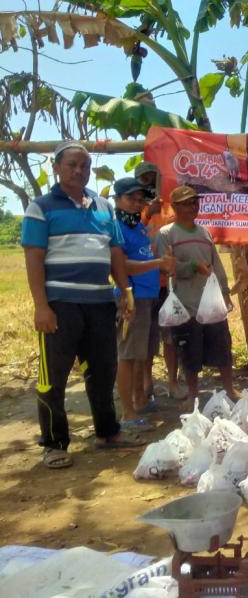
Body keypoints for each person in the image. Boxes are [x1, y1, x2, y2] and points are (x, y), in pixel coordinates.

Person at [21, 140, 143, 469]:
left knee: (103, 371)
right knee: (53, 377)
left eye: (85, 165)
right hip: (60, 304)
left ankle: (107, 432)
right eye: (72, 164)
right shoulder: (41, 207)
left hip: (100, 303)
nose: (79, 170)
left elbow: (115, 252)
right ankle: (54, 443)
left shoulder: (104, 208)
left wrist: (125, 290)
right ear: (56, 168)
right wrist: (41, 306)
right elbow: (33, 257)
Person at [157, 186, 237, 402]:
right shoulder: (166, 234)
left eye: (194, 202)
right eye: (186, 203)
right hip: (186, 304)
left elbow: (217, 265)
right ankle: (193, 395)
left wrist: (225, 292)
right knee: (189, 353)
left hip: (211, 303)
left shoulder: (204, 232)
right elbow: (167, 267)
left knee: (222, 347)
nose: (192, 206)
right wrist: (192, 266)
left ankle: (230, 390)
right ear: (174, 207)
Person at [112, 177, 175, 431]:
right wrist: (158, 264)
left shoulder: (138, 226)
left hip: (147, 295)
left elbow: (142, 257)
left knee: (142, 353)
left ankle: (139, 400)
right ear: (117, 200)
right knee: (128, 356)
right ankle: (128, 414)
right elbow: (120, 266)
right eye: (131, 199)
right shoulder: (116, 228)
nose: (137, 204)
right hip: (131, 297)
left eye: (140, 200)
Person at [136, 161, 180, 400]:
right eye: (144, 180)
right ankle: (147, 383)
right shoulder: (134, 210)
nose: (149, 184)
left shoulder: (171, 208)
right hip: (145, 283)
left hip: (170, 284)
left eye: (152, 178)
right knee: (147, 337)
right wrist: (146, 216)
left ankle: (173, 382)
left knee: (170, 336)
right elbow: (128, 240)